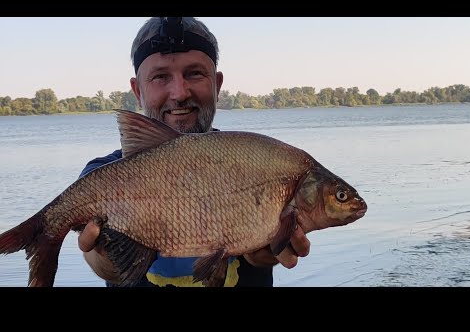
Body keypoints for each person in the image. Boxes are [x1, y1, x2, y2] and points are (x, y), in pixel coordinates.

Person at [77, 17, 311, 287]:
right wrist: (108, 258)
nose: (179, 92)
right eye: (160, 76)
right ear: (137, 91)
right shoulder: (103, 175)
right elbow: (98, 261)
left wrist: (266, 254)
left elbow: (263, 256)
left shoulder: (257, 163)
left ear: (217, 85)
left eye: (195, 73)